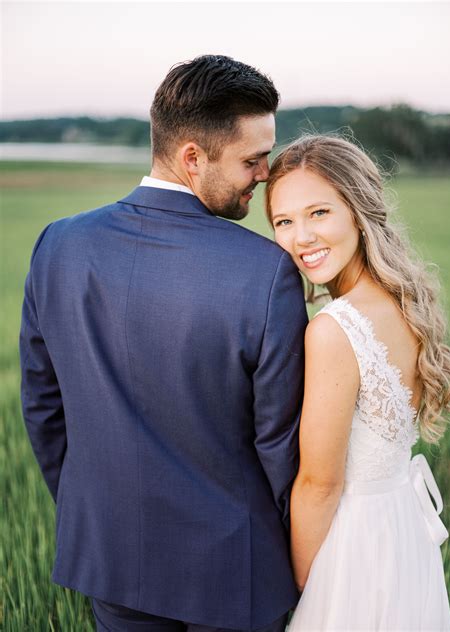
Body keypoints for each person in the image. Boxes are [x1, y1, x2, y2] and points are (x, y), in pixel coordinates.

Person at [19, 55, 308, 632]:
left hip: (112, 559)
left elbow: (44, 410)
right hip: (236, 572)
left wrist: (98, 510)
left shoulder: (58, 245)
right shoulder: (266, 271)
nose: (266, 173)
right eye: (252, 159)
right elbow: (279, 445)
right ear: (192, 158)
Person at [265, 134, 450, 631]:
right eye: (284, 222)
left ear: (357, 210)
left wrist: (305, 589)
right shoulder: (402, 301)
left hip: (354, 550)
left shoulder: (334, 328)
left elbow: (319, 483)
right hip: (400, 532)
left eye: (318, 213)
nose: (301, 237)